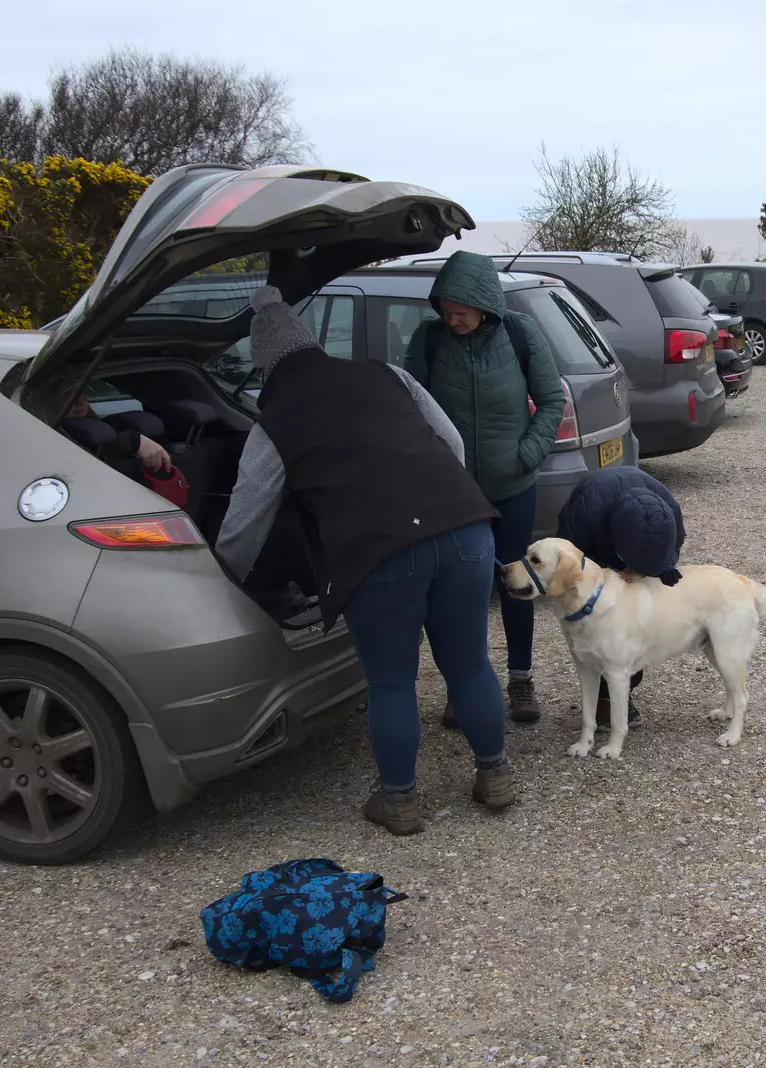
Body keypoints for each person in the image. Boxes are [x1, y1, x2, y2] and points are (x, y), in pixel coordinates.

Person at [216, 287, 513, 837]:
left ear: (264, 365)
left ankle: (399, 801)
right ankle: (495, 774)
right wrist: (430, 497)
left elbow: (246, 518)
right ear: (314, 344)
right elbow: (451, 442)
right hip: (466, 528)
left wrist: (221, 578)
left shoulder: (274, 421)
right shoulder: (386, 375)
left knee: (393, 682)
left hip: (380, 554)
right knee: (470, 663)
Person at [405, 251, 566, 726]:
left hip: (513, 485)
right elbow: (407, 407)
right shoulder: (429, 339)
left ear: (485, 305)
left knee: (517, 585)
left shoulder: (520, 333)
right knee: (459, 591)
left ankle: (520, 680)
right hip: (453, 495)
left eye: (461, 312)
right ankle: (464, 684)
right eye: (445, 311)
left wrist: (528, 454)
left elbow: (552, 398)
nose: (451, 320)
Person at [554, 466, 686, 727]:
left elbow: (676, 542)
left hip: (627, 542)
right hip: (593, 550)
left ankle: (621, 690)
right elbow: (568, 559)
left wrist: (663, 566)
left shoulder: (668, 509)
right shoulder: (585, 511)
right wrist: (611, 572)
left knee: (637, 623)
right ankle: (600, 695)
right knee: (597, 627)